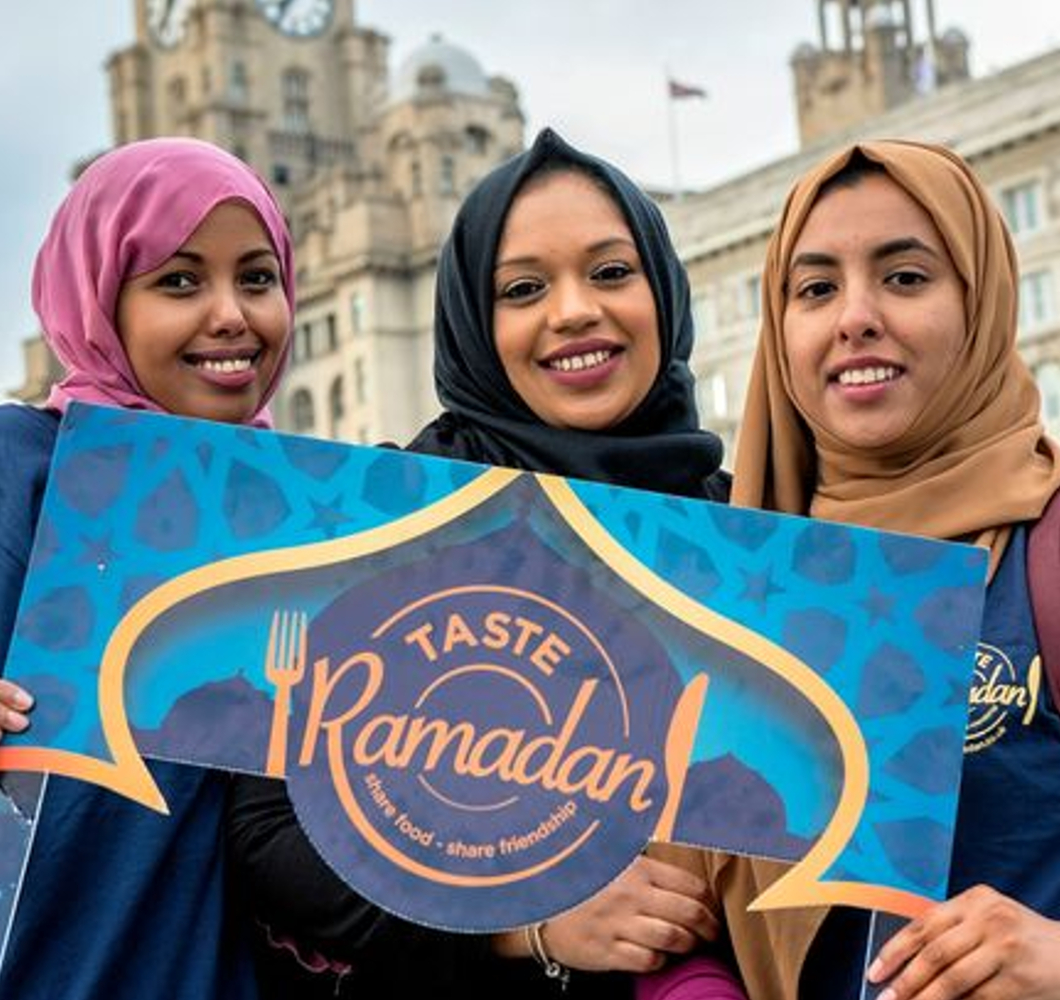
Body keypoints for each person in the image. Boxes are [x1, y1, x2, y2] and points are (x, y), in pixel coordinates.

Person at [638, 139, 1060, 1000]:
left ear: (980, 303)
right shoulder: (747, 593)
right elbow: (684, 930)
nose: (855, 317)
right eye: (815, 289)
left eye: (906, 278)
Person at [226, 127, 728, 998]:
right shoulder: (391, 524)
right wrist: (526, 924)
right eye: (524, 288)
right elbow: (274, 834)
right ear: (471, 320)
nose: (574, 310)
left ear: (665, 291)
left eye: (612, 272)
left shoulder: (749, 531)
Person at [0, 136, 296, 1000]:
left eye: (258, 277)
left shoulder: (300, 517)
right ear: (97, 298)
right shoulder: (2, 468)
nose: (233, 314)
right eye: (179, 280)